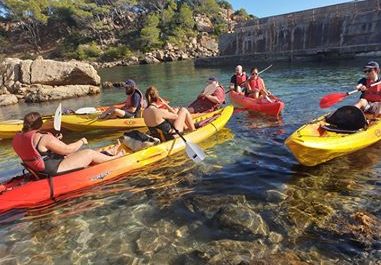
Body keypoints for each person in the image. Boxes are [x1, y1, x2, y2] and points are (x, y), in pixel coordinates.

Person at [12, 112, 124, 176]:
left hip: (38, 170)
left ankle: (110, 152)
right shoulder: (44, 137)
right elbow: (68, 149)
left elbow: (37, 151)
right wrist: (81, 141)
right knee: (89, 153)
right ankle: (117, 158)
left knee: (81, 154)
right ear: (40, 124)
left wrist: (55, 140)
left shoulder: (19, 137)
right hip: (52, 169)